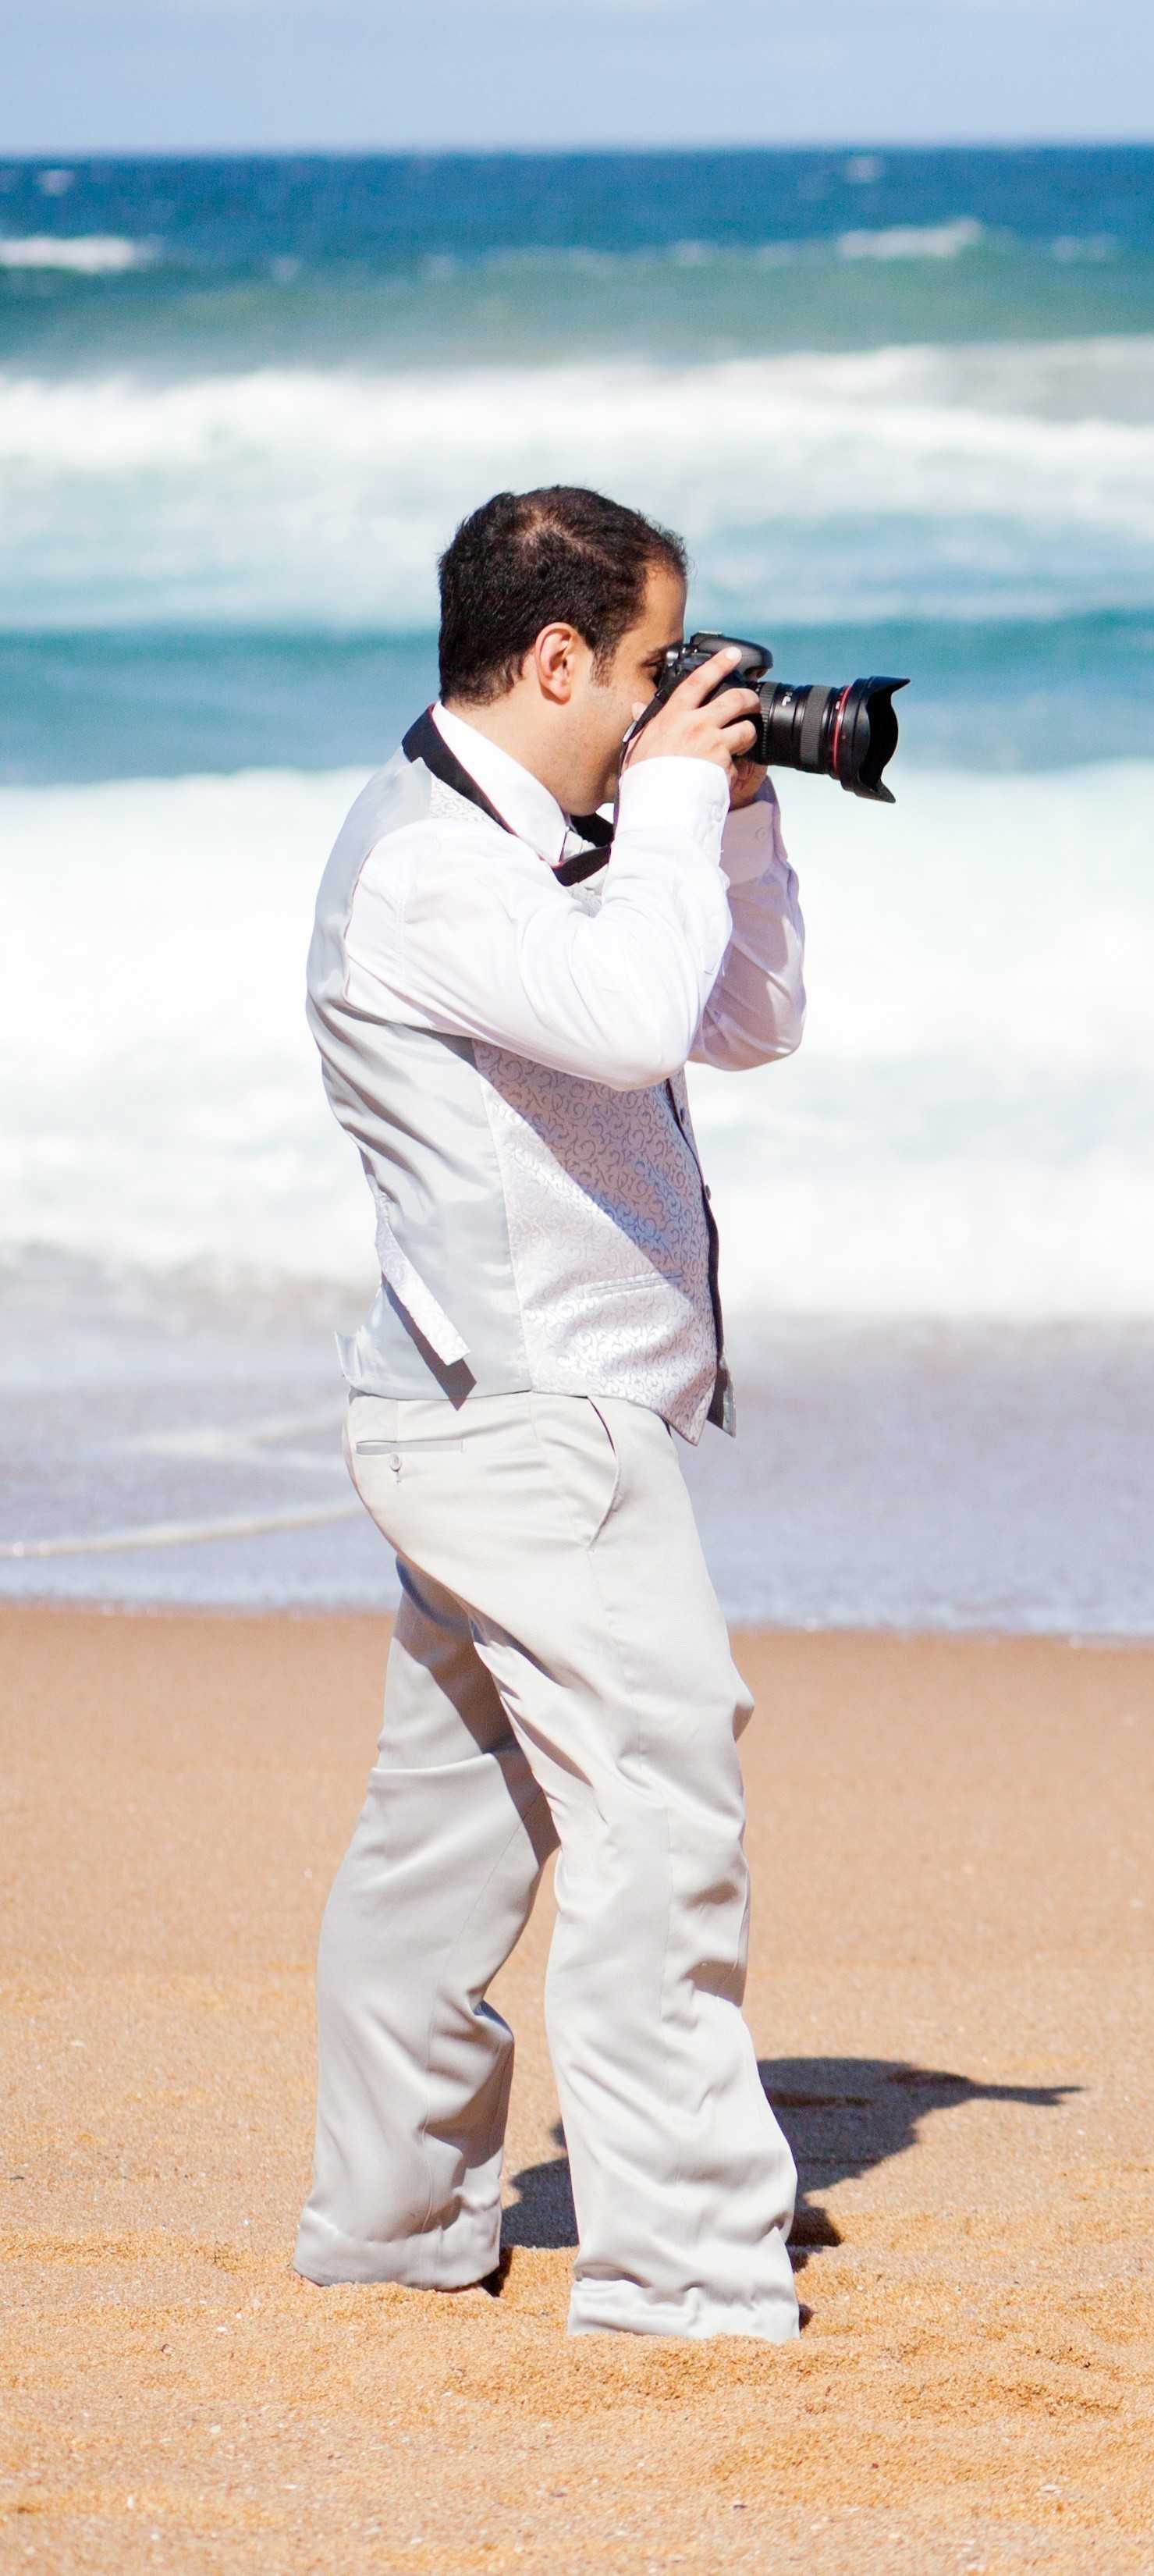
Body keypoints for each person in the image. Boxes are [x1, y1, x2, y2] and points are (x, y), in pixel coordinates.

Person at [293, 486, 808, 2340]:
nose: (682, 699)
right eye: (661, 664)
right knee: (661, 1801)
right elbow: (622, 1016)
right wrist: (672, 806)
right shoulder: (435, 863)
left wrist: (728, 815)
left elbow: (739, 1019)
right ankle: (680, 2267)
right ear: (562, 656)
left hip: (502, 1416)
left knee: (449, 1829)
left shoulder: (552, 831)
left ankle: (396, 2214)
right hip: (528, 1423)